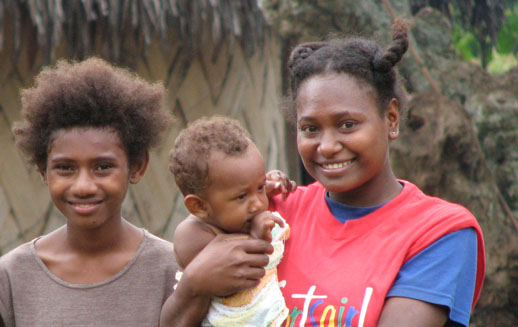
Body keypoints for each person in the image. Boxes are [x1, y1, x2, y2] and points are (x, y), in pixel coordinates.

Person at [161, 20, 485, 327]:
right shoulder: (270, 210)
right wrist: (192, 284)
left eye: (347, 124)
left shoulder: (438, 232)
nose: (327, 146)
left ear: (391, 119)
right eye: (310, 128)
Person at [0, 57, 175, 327]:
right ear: (42, 170)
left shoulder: (172, 271)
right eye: (65, 168)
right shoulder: (12, 276)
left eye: (103, 167)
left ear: (137, 167)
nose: (83, 186)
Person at [169, 116, 296, 327]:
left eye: (259, 187)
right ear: (199, 207)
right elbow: (235, 277)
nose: (257, 205)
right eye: (241, 196)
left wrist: (269, 184)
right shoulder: (191, 235)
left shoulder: (232, 212)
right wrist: (256, 236)